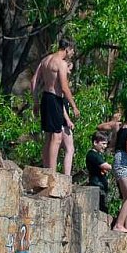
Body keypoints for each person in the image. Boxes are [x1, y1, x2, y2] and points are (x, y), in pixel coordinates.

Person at [32, 38, 79, 172]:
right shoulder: (61, 63)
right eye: (72, 51)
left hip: (45, 98)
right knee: (57, 137)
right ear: (67, 48)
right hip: (54, 98)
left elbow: (34, 81)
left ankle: (46, 168)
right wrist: (74, 106)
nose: (72, 53)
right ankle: (51, 172)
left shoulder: (45, 60)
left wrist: (36, 101)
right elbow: (64, 87)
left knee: (49, 136)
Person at [86, 131, 112, 213]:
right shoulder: (92, 154)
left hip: (101, 186)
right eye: (103, 143)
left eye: (106, 144)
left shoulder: (98, 154)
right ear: (95, 142)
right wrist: (118, 167)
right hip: (96, 185)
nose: (105, 146)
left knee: (103, 208)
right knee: (100, 209)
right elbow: (105, 166)